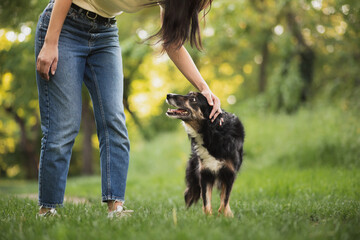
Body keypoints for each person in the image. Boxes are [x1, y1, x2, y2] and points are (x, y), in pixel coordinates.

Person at [35, 0, 222, 217]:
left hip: (105, 33)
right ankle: (47, 209)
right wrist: (50, 41)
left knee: (114, 121)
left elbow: (173, 44)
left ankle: (116, 208)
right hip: (64, 25)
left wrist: (203, 87)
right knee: (63, 126)